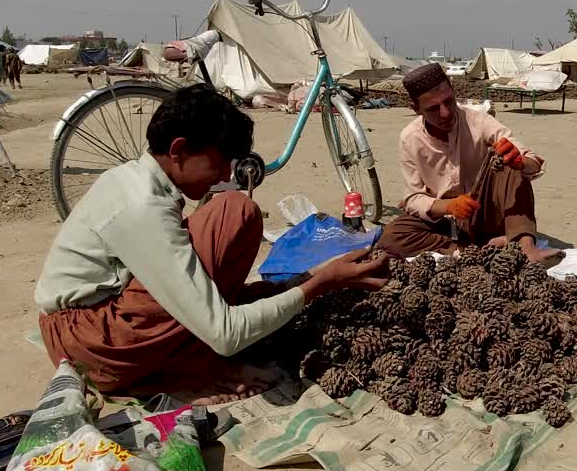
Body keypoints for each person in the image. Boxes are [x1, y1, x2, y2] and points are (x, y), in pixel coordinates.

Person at [35, 85, 389, 404]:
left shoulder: (147, 183)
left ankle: (184, 355)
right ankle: (187, 366)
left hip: (98, 326)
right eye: (219, 162)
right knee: (233, 212)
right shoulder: (142, 207)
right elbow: (226, 333)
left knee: (236, 211)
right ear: (179, 150)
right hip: (90, 345)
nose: (223, 176)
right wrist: (320, 285)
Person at [378, 62, 561, 264]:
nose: (445, 113)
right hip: (445, 223)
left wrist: (520, 162)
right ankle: (467, 250)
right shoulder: (409, 138)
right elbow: (413, 198)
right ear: (416, 109)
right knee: (391, 237)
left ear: (454, 92)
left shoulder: (479, 121)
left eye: (448, 102)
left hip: (485, 214)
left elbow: (532, 160)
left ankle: (525, 247)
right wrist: (449, 206)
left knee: (509, 162)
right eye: (433, 109)